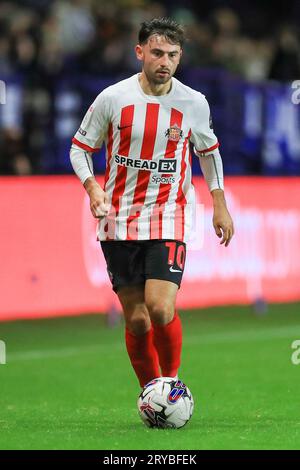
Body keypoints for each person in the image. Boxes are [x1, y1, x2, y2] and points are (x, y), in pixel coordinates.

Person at [70, 17, 234, 388]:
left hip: (169, 214)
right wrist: (93, 188)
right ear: (140, 52)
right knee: (137, 319)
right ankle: (150, 392)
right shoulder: (113, 98)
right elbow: (80, 149)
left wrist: (219, 202)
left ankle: (171, 386)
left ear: (180, 57)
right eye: (157, 53)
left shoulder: (193, 103)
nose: (164, 61)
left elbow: (208, 153)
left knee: (160, 308)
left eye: (172, 55)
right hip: (118, 218)